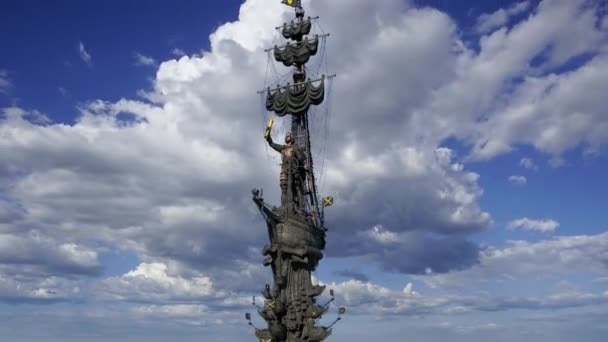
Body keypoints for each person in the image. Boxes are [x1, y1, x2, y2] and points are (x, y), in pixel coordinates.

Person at [266, 131, 305, 210]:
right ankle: (284, 207)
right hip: (284, 170)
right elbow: (272, 144)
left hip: (294, 170)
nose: (287, 136)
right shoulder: (282, 148)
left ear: (292, 138)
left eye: (289, 135)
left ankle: (301, 209)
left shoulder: (295, 148)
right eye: (286, 135)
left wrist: (298, 157)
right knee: (284, 188)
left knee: (297, 188)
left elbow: (301, 159)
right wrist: (268, 137)